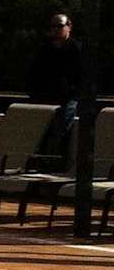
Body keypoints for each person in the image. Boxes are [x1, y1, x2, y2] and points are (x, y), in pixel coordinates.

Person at [25, 11, 87, 159]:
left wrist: (73, 91)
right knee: (41, 132)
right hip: (45, 97)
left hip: (67, 98)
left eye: (59, 26)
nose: (55, 29)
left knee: (63, 129)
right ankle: (40, 162)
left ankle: (60, 162)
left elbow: (83, 75)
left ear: (69, 27)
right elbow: (34, 72)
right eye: (53, 26)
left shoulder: (77, 49)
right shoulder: (44, 49)